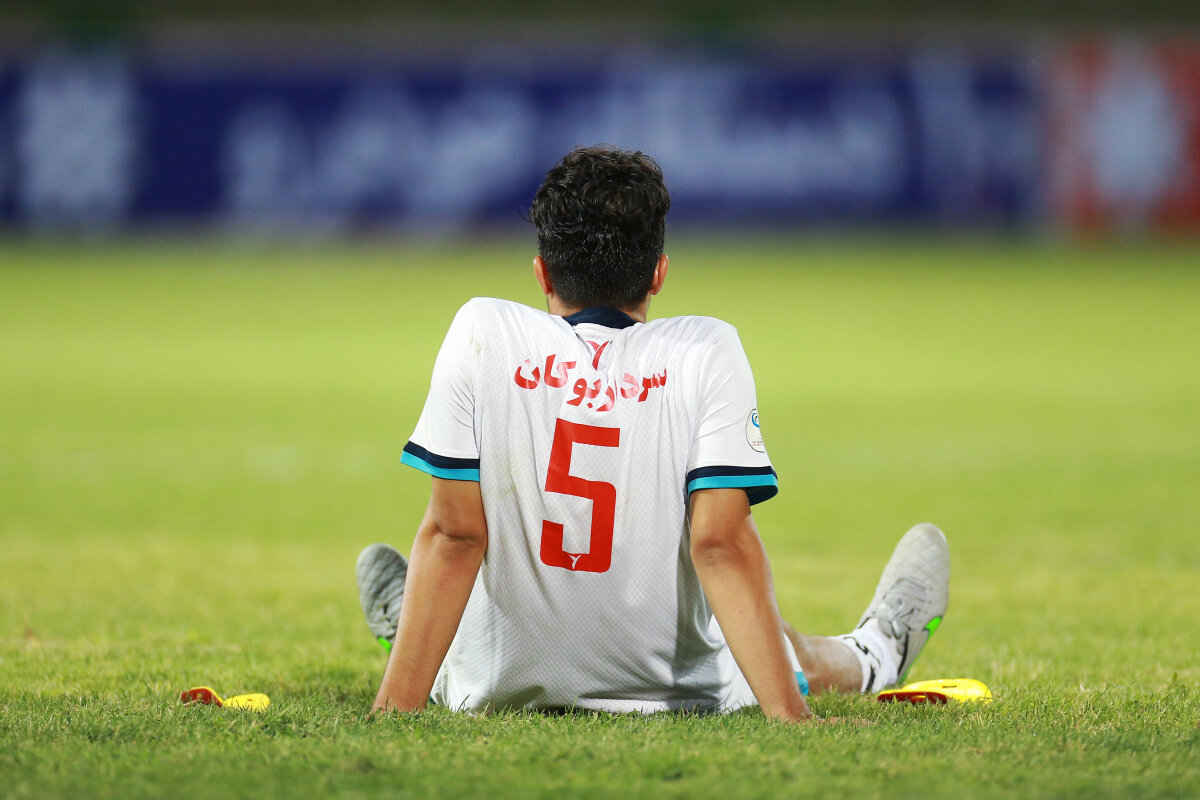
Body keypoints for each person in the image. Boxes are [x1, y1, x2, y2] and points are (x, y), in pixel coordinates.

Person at [357, 146, 949, 722]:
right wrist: (791, 718)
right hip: (676, 688)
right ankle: (874, 651)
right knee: (767, 638)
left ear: (542, 273)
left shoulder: (482, 330)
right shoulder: (705, 349)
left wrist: (393, 712)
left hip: (498, 682)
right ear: (660, 273)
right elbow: (720, 543)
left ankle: (423, 639)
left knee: (473, 627)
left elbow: (455, 535)